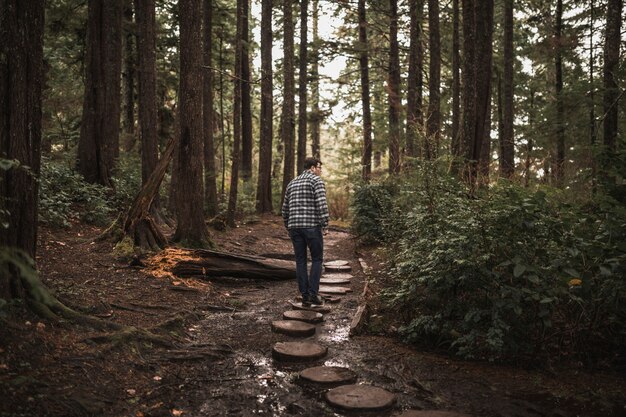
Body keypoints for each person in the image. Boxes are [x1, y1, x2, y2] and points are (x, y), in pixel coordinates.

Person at [282, 157, 330, 306]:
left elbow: (285, 209)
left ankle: (304, 296)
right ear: (312, 168)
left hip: (295, 227)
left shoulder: (292, 183)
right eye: (319, 167)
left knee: (300, 261)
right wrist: (325, 224)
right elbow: (321, 205)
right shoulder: (316, 181)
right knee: (317, 259)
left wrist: (289, 225)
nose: (320, 171)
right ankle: (313, 294)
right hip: (311, 227)